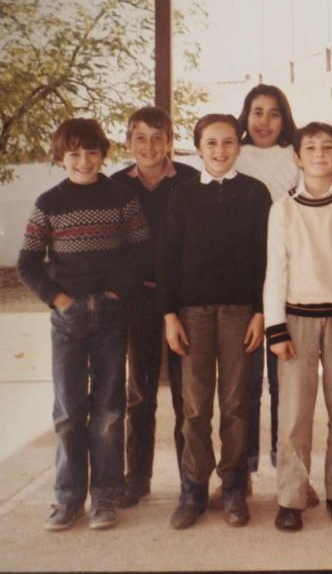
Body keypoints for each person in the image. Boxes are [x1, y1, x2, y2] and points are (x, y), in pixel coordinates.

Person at [17, 118, 150, 531]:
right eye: (74, 154)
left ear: (103, 154)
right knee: (68, 411)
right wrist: (59, 300)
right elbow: (27, 262)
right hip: (68, 319)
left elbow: (142, 252)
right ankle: (68, 496)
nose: (84, 161)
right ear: (61, 157)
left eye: (91, 152)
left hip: (111, 315)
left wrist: (115, 293)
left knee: (109, 410)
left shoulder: (121, 197)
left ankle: (105, 497)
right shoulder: (49, 203)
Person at [158, 114, 270, 530]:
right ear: (198, 148)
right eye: (211, 144)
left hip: (241, 312)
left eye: (226, 142)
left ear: (238, 146)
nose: (219, 151)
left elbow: (265, 257)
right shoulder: (182, 196)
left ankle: (234, 486)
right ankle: (193, 488)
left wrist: (261, 310)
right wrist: (170, 315)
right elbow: (166, 258)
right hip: (193, 314)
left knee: (238, 402)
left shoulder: (256, 194)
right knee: (194, 405)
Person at [264, 122, 332, 532]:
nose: (320, 154)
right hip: (295, 320)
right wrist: (276, 328)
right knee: (295, 413)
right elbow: (275, 270)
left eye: (328, 148)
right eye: (311, 148)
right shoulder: (283, 209)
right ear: (297, 157)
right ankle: (291, 496)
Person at [111, 106, 198, 508]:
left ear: (170, 141)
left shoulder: (191, 182)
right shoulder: (113, 186)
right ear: (129, 142)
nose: (149, 146)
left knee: (187, 395)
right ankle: (137, 479)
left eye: (157, 137)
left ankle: (189, 480)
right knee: (140, 393)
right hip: (139, 301)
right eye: (140, 137)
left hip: (184, 300)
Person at [234, 84, 300, 496]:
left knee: (284, 381)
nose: (264, 122)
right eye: (257, 112)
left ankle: (286, 468)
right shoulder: (233, 155)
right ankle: (242, 470)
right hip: (241, 279)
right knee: (243, 382)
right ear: (245, 116)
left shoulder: (295, 157)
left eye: (274, 113)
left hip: (287, 279)